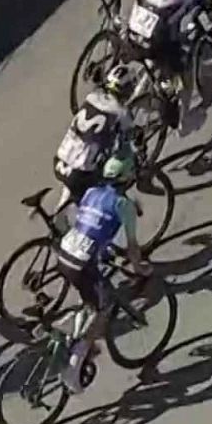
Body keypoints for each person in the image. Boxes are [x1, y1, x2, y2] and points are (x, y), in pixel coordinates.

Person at [55, 153, 150, 393]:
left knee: (89, 297)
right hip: (82, 263)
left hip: (65, 253)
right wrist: (140, 269)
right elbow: (132, 248)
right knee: (103, 308)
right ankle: (75, 363)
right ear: (129, 176)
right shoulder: (124, 205)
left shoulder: (91, 192)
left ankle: (71, 332)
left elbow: (91, 223)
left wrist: (104, 251)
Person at [124, 0, 212, 134]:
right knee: (185, 75)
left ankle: (136, 98)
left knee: (153, 56)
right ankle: (184, 122)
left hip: (136, 25)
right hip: (157, 37)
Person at [55, 63, 139, 211]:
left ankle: (58, 216)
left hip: (60, 161)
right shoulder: (121, 113)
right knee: (104, 193)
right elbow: (130, 140)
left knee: (73, 185)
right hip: (80, 173)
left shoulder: (92, 97)